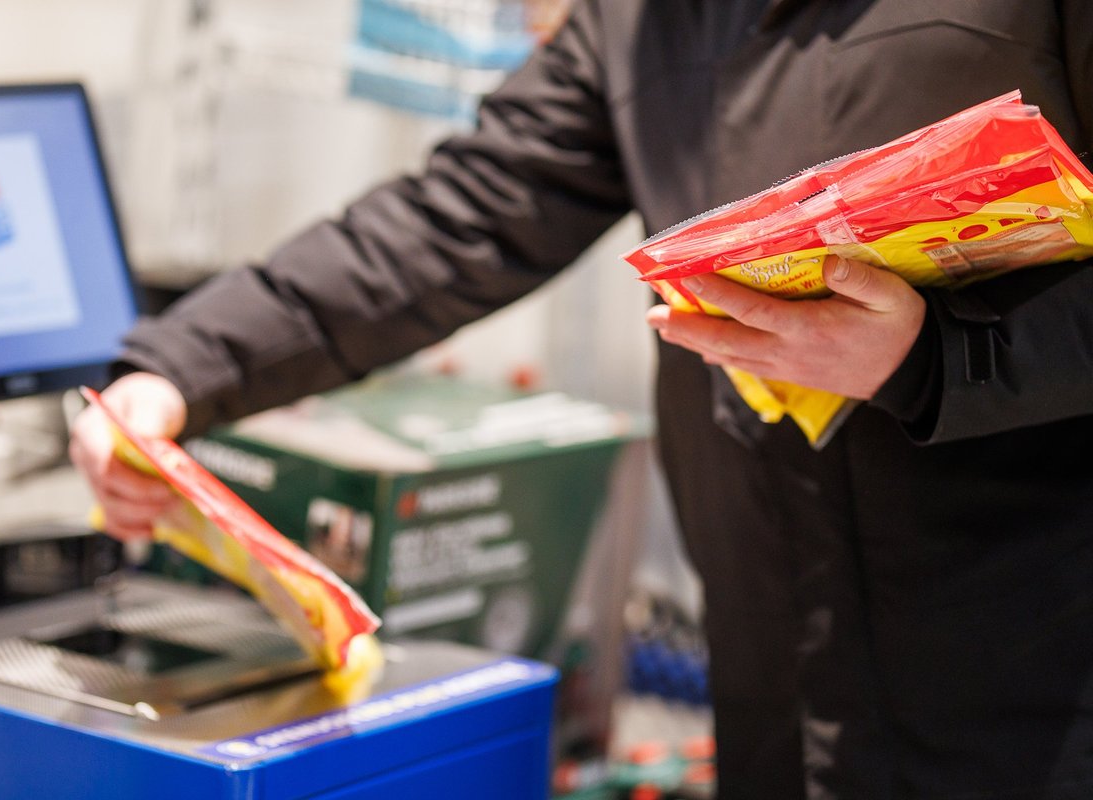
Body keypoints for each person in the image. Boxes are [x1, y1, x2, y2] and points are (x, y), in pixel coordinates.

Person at [68, 2, 1093, 798]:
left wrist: (935, 352)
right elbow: (463, 214)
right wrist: (182, 366)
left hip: (1037, 677)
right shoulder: (642, 19)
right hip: (773, 662)